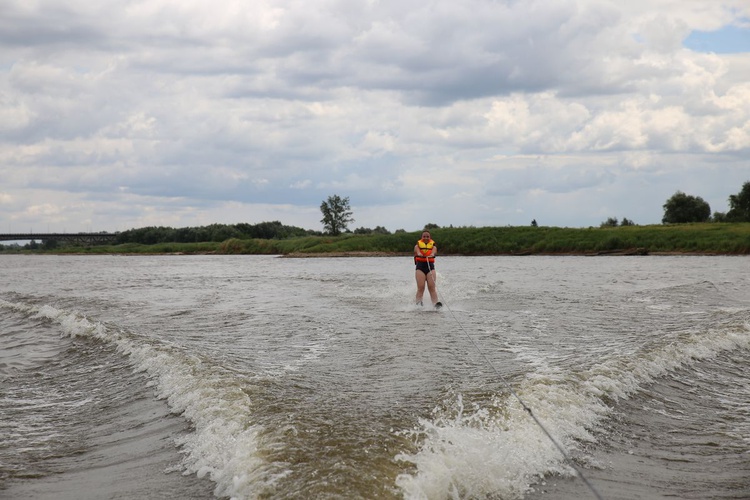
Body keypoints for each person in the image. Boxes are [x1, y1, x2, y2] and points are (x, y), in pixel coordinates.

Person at [414, 231, 442, 308]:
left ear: (430, 238)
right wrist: (419, 254)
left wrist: (432, 255)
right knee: (421, 287)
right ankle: (418, 304)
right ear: (421, 238)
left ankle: (435, 304)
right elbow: (417, 251)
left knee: (431, 287)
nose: (426, 238)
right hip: (420, 267)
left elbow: (434, 252)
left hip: (430, 267)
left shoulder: (433, 247)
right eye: (424, 236)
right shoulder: (417, 246)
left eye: (427, 236)